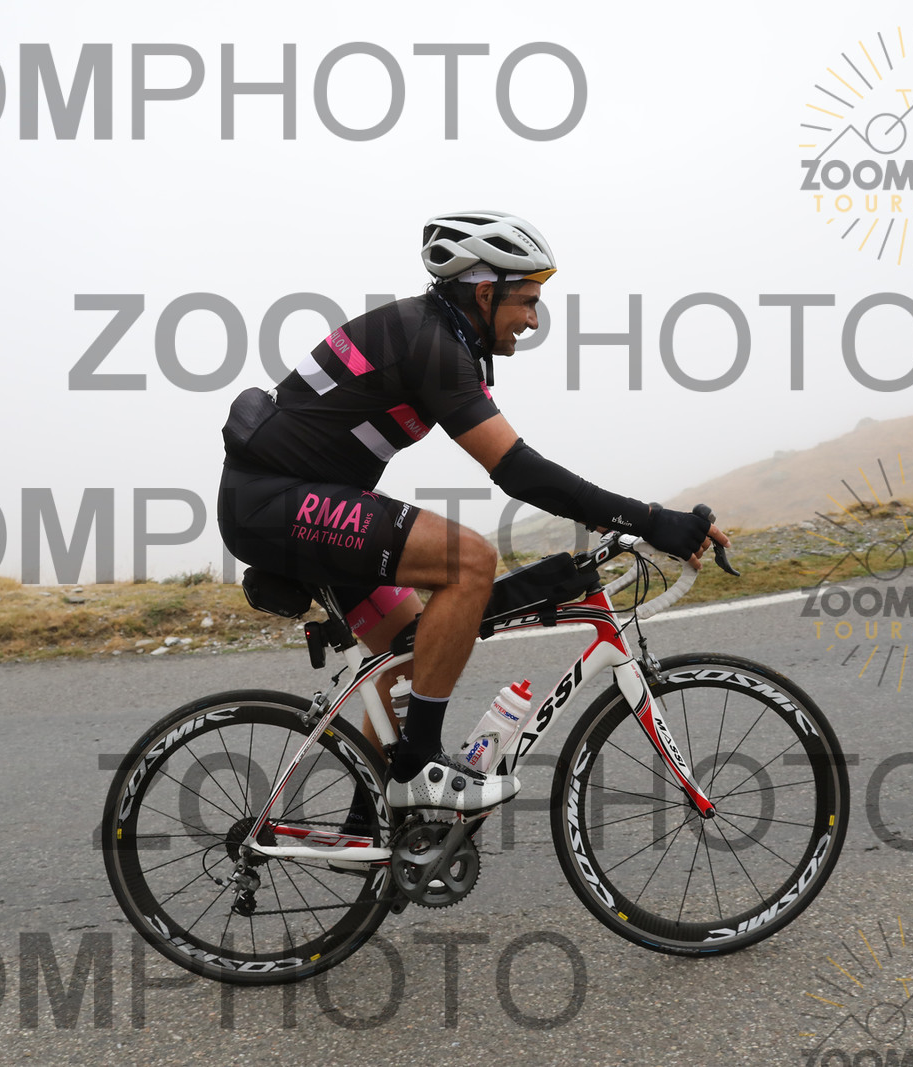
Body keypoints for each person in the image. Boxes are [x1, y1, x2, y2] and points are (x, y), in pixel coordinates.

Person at [217, 211, 726, 815]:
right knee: (470, 562)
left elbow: (529, 470)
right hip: (273, 501)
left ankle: (377, 825)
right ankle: (418, 770)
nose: (534, 320)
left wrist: (627, 519)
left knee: (413, 655)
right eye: (527, 301)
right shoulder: (430, 343)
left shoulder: (439, 336)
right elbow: (516, 468)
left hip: (288, 501)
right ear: (485, 294)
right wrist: (650, 519)